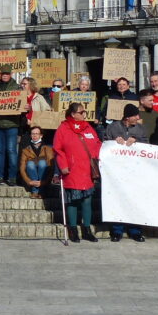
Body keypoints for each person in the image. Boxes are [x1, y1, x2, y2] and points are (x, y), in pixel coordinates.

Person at [53, 102, 100, 244]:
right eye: (82, 112)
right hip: (71, 170)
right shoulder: (63, 128)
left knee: (87, 200)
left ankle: (86, 229)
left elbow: (97, 143)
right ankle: (72, 229)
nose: (84, 114)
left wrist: (97, 156)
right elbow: (57, 149)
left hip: (86, 170)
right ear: (73, 114)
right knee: (73, 201)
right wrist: (63, 165)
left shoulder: (88, 127)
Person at [102, 103, 147, 242]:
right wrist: (113, 142)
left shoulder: (140, 129)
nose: (138, 117)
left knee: (134, 200)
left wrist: (137, 141)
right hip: (117, 171)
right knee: (117, 199)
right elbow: (104, 142)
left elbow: (148, 145)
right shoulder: (113, 128)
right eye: (135, 115)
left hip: (135, 171)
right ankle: (117, 230)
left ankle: (135, 230)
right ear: (127, 117)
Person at [0, 68, 24, 186]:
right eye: (3, 73)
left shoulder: (17, 87)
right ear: (0, 74)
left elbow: (22, 105)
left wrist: (26, 107)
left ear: (11, 74)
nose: (4, 75)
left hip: (12, 124)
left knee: (11, 151)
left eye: (7, 74)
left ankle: (12, 177)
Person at [18, 126, 55, 198]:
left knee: (42, 163)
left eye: (36, 133)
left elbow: (52, 167)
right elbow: (22, 168)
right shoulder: (25, 150)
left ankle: (40, 190)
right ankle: (35, 191)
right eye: (32, 134)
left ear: (41, 135)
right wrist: (29, 181)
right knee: (30, 163)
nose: (34, 135)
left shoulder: (47, 149)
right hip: (31, 177)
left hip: (44, 178)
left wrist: (44, 182)